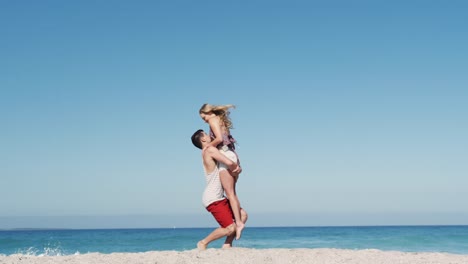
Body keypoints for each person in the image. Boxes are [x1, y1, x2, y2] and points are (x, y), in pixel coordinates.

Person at [191, 129, 248, 249]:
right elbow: (228, 162)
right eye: (206, 134)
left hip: (219, 197)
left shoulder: (209, 150)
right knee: (230, 228)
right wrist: (237, 168)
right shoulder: (209, 150)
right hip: (213, 198)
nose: (209, 135)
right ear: (203, 139)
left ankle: (227, 244)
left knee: (242, 215)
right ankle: (203, 242)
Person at [199, 103, 245, 240]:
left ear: (208, 113)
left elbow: (219, 139)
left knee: (230, 194)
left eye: (204, 118)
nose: (205, 121)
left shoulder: (213, 120)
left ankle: (239, 223)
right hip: (230, 154)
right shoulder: (220, 120)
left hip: (225, 155)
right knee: (233, 193)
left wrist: (207, 147)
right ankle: (236, 227)